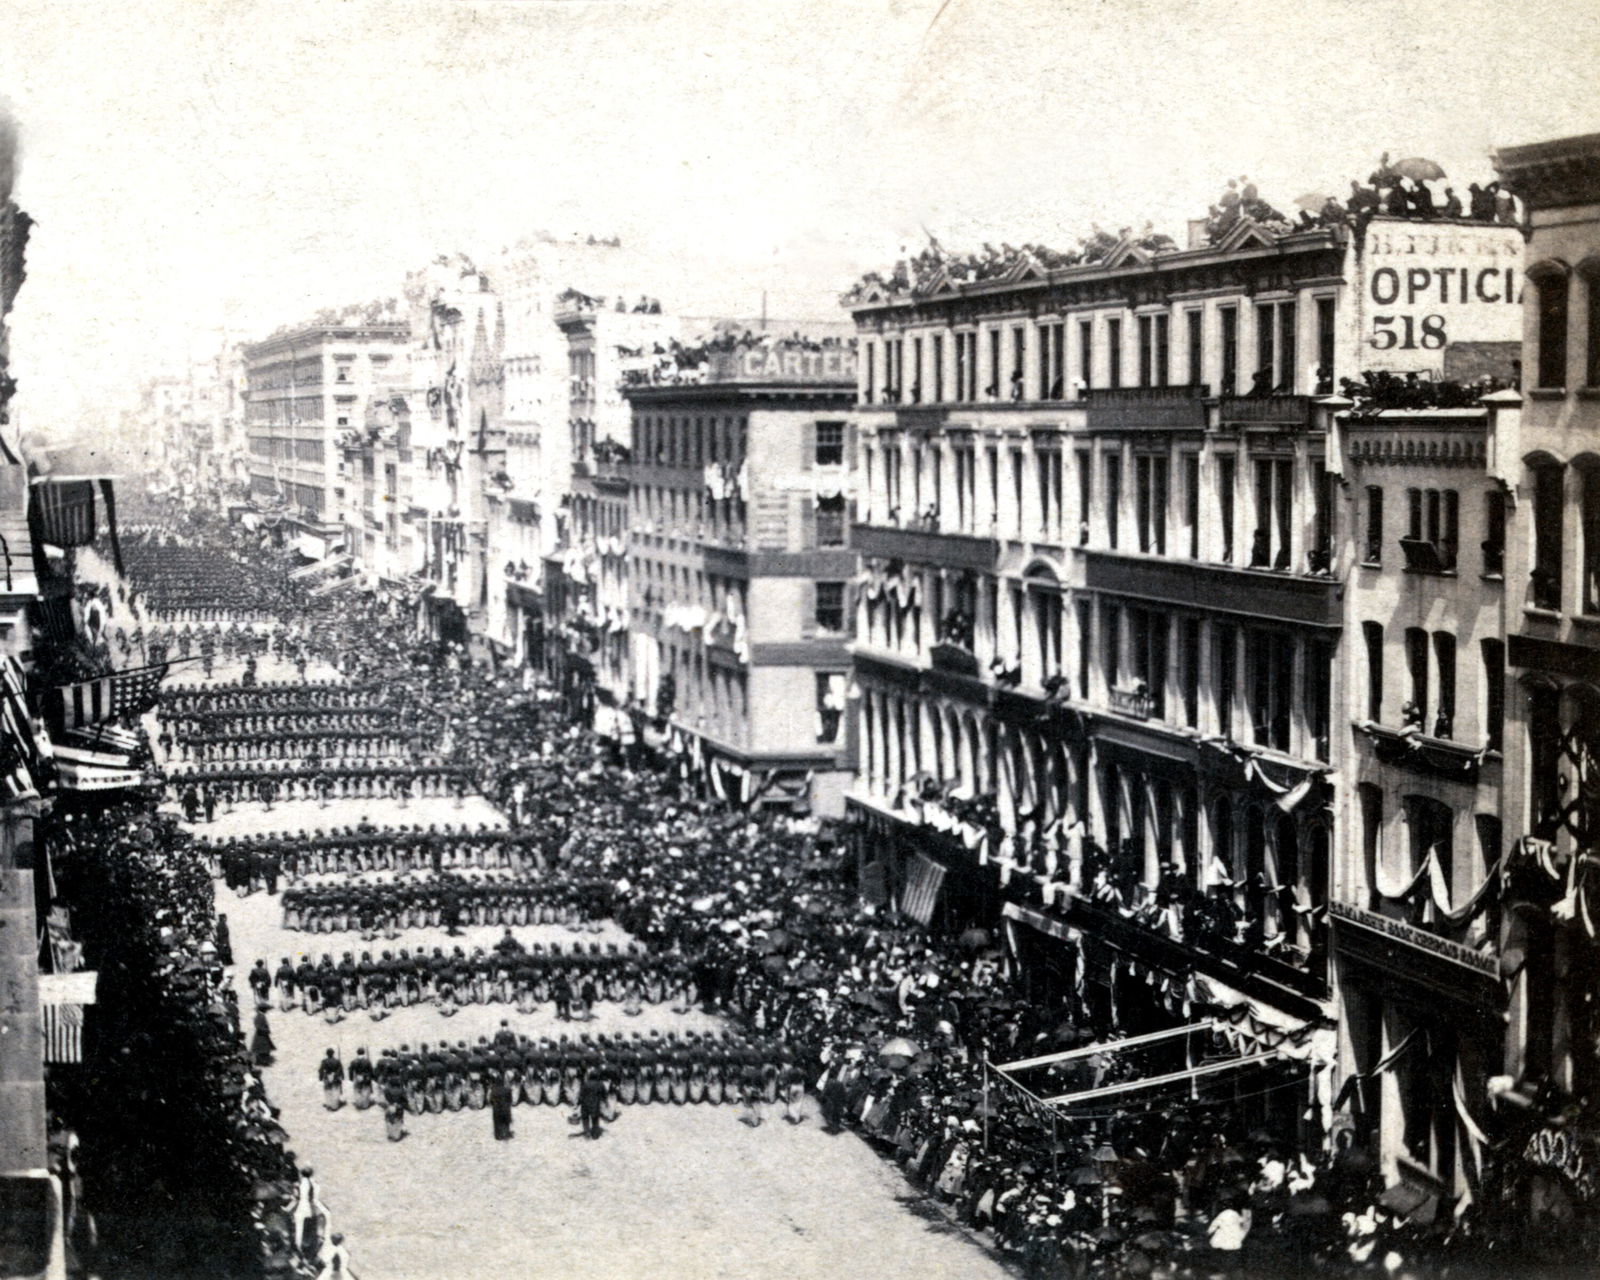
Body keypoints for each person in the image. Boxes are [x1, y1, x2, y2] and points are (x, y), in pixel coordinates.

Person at [578, 1067, 609, 1139]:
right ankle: (595, 1135)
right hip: (595, 1104)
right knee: (595, 1119)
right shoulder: (600, 1084)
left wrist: (578, 1103)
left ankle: (587, 1133)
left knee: (585, 1118)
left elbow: (581, 1095)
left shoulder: (585, 1084)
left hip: (585, 1104)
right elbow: (604, 1095)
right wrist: (605, 1102)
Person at [489, 1073, 515, 1140]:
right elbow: (511, 1100)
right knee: (506, 1121)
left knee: (497, 1122)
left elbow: (491, 1100)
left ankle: (498, 1136)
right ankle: (506, 1134)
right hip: (505, 1108)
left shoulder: (493, 1090)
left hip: (496, 1108)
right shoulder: (507, 1090)